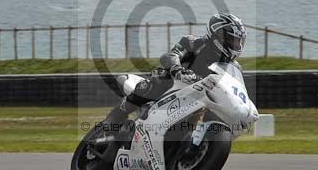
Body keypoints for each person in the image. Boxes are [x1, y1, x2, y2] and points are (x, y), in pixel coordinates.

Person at [104, 13, 247, 130]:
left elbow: (236, 90)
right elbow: (170, 55)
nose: (237, 45)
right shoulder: (193, 43)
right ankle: (112, 121)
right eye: (233, 40)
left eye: (239, 41)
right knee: (153, 84)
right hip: (173, 85)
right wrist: (177, 69)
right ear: (218, 36)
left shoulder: (234, 68)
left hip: (198, 99)